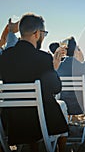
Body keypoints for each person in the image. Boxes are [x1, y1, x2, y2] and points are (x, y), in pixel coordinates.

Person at [0, 13, 68, 152]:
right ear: (36, 34)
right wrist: (54, 68)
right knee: (61, 107)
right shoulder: (43, 58)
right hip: (41, 120)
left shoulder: (5, 56)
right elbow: (56, 88)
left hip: (12, 122)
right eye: (44, 33)